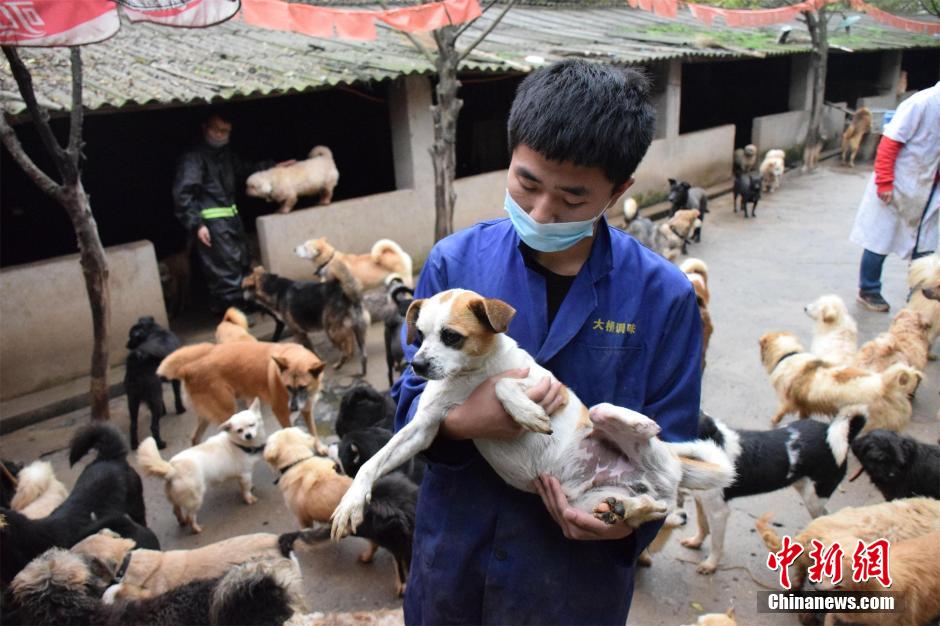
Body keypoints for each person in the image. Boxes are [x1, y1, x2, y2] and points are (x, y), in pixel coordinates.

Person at [391, 60, 702, 625]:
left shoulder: (663, 297)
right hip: (455, 566)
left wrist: (626, 523)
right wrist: (462, 420)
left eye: (572, 198)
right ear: (510, 156)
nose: (540, 211)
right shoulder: (455, 264)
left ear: (619, 189)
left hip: (569, 586)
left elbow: (670, 448)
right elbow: (406, 399)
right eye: (526, 183)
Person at [172, 112, 283, 314]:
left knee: (241, 263)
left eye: (226, 131)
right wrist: (197, 224)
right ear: (205, 128)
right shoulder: (194, 158)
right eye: (217, 130)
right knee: (224, 271)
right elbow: (183, 194)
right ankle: (233, 313)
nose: (222, 135)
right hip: (212, 224)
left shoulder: (225, 156)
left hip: (231, 220)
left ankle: (245, 307)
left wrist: (273, 168)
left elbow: (246, 170)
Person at [850, 82, 940, 312]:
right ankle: (869, 290)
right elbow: (890, 142)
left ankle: (919, 296)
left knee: (925, 246)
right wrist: (884, 181)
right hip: (900, 182)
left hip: (930, 186)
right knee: (880, 239)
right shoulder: (921, 103)